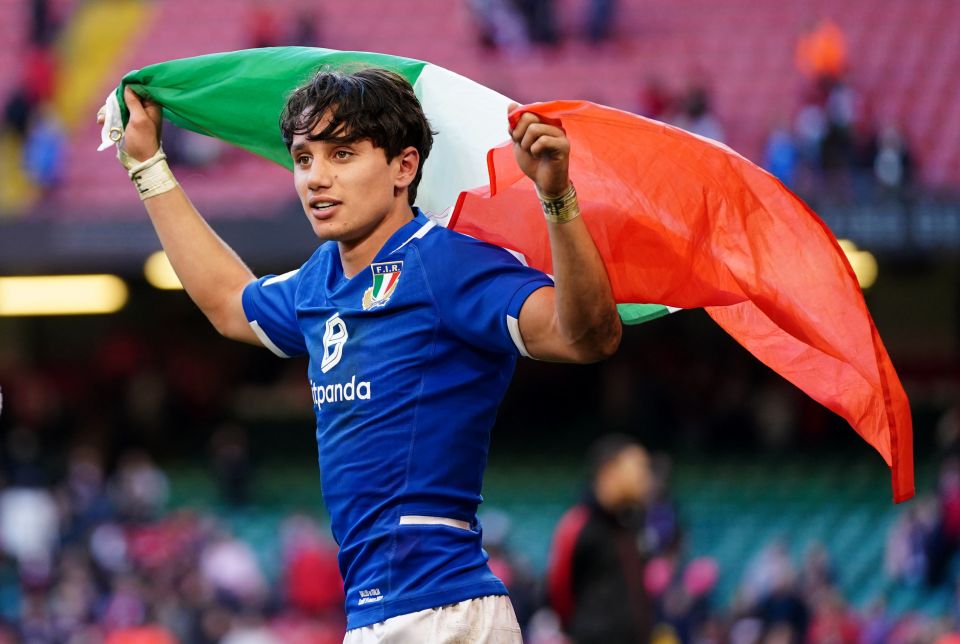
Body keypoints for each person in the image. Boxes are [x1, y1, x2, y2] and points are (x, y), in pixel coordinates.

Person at [99, 67, 620, 642]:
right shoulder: (319, 282)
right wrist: (147, 166)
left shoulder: (447, 264)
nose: (316, 179)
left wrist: (557, 197)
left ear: (404, 166)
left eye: (342, 154)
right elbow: (228, 303)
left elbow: (586, 337)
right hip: (378, 617)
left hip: (442, 614)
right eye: (303, 159)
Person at [546, 434, 654, 643]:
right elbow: (559, 592)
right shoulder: (578, 524)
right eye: (639, 468)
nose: (646, 477)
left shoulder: (633, 522)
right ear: (609, 471)